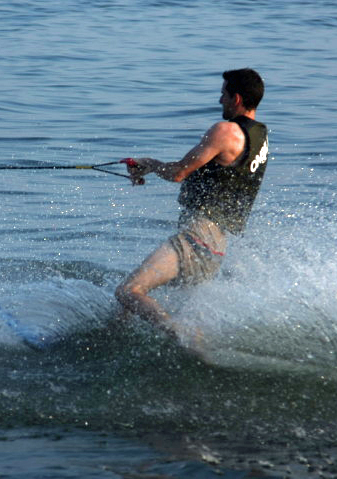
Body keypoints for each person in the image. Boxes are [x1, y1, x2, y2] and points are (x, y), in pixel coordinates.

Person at [115, 68, 269, 335]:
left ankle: (180, 333)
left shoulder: (226, 131)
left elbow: (178, 173)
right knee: (129, 306)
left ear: (237, 99)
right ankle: (114, 338)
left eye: (223, 94)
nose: (219, 100)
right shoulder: (260, 136)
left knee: (129, 291)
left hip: (198, 237)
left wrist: (149, 164)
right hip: (215, 245)